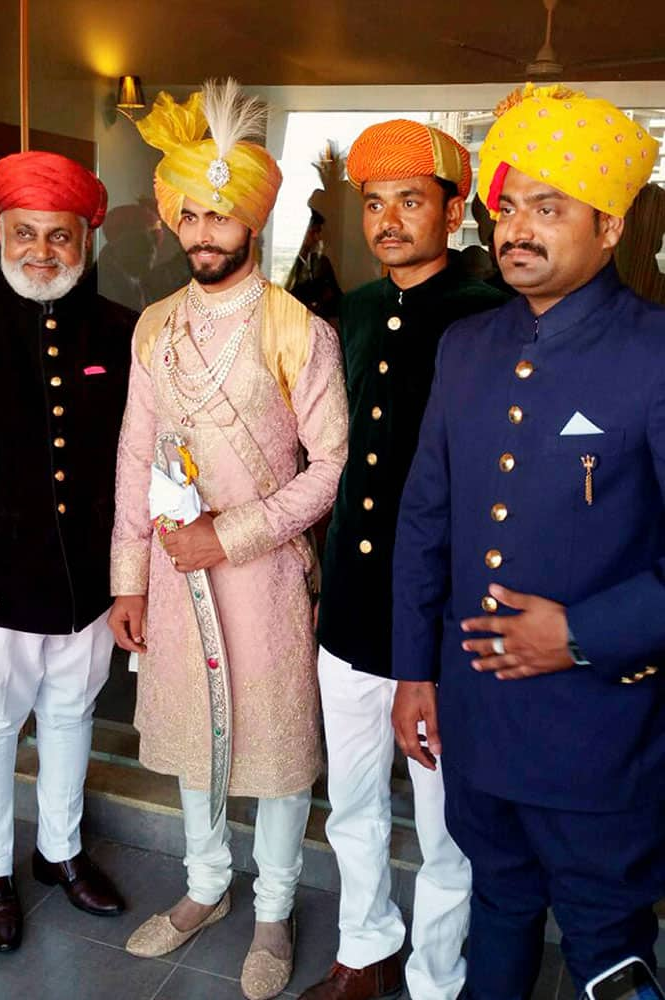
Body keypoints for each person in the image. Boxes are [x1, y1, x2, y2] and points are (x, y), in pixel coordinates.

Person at [392, 83, 665, 999]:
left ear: (610, 227)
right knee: (498, 913)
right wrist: (414, 674)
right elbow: (426, 517)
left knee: (606, 948)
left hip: (601, 732)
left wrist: (583, 632)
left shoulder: (653, 353)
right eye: (509, 208)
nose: (518, 229)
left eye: (549, 209)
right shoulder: (466, 346)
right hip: (478, 721)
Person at [108, 80, 347, 1000]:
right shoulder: (153, 326)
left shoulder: (302, 331)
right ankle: (206, 885)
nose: (204, 232)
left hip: (266, 580)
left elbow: (330, 468)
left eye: (222, 216)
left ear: (252, 221)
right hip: (173, 582)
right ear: (174, 218)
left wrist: (232, 534)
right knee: (194, 743)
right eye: (192, 215)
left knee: (276, 755)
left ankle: (277, 907)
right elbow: (135, 454)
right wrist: (129, 577)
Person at [301, 120, 507, 1000]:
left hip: (446, 616)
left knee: (445, 819)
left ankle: (435, 975)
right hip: (350, 605)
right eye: (375, 204)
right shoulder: (347, 310)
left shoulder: (496, 317)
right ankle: (366, 945)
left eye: (410, 202)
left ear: (454, 210)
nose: (388, 222)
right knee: (349, 799)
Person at [0, 150, 133, 952]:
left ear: (86, 240)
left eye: (59, 236)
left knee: (71, 716)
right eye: (24, 233)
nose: (41, 251)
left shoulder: (121, 333)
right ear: (0, 234)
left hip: (88, 581)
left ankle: (58, 853)